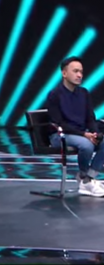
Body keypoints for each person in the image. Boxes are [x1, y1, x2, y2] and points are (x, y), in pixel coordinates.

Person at [47, 56, 104, 197]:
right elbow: (59, 123)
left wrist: (95, 133)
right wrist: (85, 135)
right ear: (64, 73)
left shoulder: (84, 93)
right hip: (60, 135)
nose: (79, 75)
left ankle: (88, 179)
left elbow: (90, 118)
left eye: (81, 72)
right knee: (87, 145)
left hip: (81, 133)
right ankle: (85, 179)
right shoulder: (55, 95)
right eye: (75, 71)